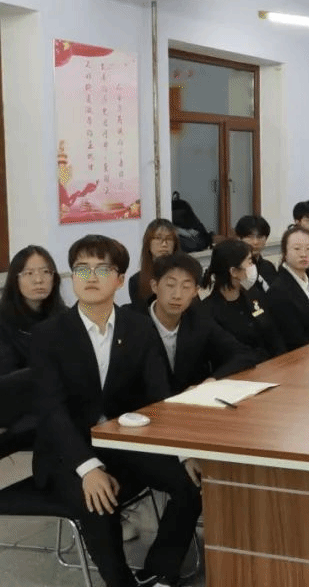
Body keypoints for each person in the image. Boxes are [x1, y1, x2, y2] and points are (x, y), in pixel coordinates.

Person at [30, 235, 201, 587]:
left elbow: (159, 395)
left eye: (102, 269)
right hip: (67, 451)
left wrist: (183, 451)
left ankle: (160, 571)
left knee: (190, 482)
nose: (91, 277)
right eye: (82, 269)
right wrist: (88, 467)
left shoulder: (137, 326)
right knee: (99, 498)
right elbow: (51, 409)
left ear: (120, 279)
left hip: (120, 441)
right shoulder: (48, 335)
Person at [146, 252, 257, 395]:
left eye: (186, 287)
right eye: (170, 285)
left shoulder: (199, 319)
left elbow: (243, 354)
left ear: (195, 291)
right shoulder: (133, 324)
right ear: (154, 286)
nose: (177, 295)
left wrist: (211, 381)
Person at [0, 246, 65, 445]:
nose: (39, 280)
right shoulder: (2, 321)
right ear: (15, 279)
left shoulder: (66, 318)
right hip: (14, 403)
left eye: (45, 272)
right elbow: (7, 379)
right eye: (29, 273)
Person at [201, 239, 286, 362]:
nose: (253, 267)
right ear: (234, 271)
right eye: (250, 262)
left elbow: (274, 335)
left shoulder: (254, 294)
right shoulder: (208, 311)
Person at [265, 225, 309, 351]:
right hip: (297, 355)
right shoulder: (278, 291)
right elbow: (292, 338)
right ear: (285, 252)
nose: (303, 254)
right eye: (297, 249)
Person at [127, 219, 179, 315]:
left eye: (169, 239)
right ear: (148, 243)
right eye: (158, 238)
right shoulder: (136, 281)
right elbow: (140, 317)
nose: (164, 244)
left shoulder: (185, 276)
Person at [235, 214, 275, 295]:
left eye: (259, 237)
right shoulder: (234, 268)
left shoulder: (269, 267)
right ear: (239, 238)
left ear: (266, 239)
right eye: (250, 237)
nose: (255, 242)